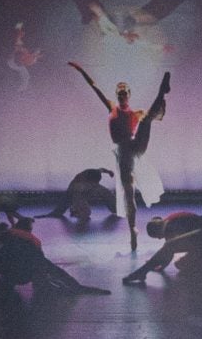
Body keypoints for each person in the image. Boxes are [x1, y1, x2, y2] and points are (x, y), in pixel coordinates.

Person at [68, 64, 171, 256]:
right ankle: (133, 230)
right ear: (118, 95)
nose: (122, 95)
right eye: (120, 93)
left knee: (147, 119)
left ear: (129, 94)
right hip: (124, 152)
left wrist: (161, 107)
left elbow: (158, 117)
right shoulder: (112, 108)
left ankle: (162, 91)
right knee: (128, 192)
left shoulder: (136, 113)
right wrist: (82, 71)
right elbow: (95, 87)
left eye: (125, 92)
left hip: (136, 146)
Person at [0, 210, 109, 297]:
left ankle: (5, 286)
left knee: (11, 264)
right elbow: (53, 269)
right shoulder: (33, 242)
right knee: (37, 268)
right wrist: (79, 287)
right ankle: (15, 284)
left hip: (12, 271)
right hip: (27, 272)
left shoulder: (7, 236)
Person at [122, 209, 202, 286]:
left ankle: (142, 271)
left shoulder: (170, 227)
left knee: (170, 245)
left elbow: (170, 249)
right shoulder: (172, 219)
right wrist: (161, 265)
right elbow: (189, 243)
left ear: (158, 235)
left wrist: (156, 265)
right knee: (181, 264)